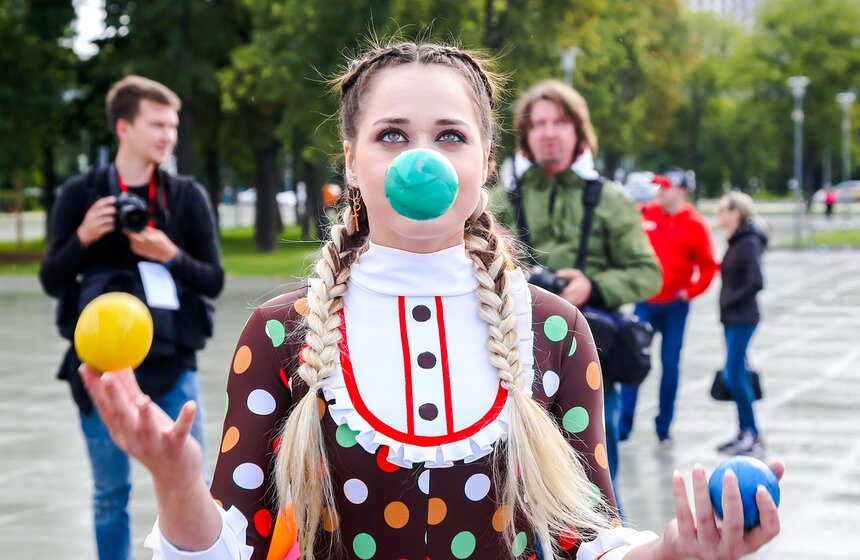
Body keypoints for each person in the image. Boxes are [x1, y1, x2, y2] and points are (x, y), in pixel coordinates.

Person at [80, 42, 781, 560]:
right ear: (351, 160)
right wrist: (176, 483)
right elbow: (232, 549)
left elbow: (585, 541)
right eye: (392, 136)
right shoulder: (279, 334)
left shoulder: (557, 332)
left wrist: (678, 552)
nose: (424, 159)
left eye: (450, 135)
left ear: (485, 161)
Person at [39, 75, 224, 560]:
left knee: (194, 483)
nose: (168, 136)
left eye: (173, 126)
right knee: (108, 496)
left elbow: (213, 280)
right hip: (100, 371)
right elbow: (51, 278)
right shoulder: (81, 193)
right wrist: (82, 237)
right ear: (124, 127)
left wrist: (170, 255)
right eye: (157, 124)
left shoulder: (185, 196)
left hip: (170, 365)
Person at [491, 80, 662, 500]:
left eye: (561, 122)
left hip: (593, 358)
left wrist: (593, 285)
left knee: (597, 482)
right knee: (512, 484)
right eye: (540, 123)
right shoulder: (497, 201)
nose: (550, 132)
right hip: (511, 357)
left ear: (579, 132)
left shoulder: (610, 200)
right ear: (526, 137)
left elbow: (648, 273)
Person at [619, 170, 718, 445]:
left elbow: (709, 265)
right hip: (646, 303)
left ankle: (664, 427)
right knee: (632, 361)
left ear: (682, 191)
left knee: (671, 366)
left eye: (666, 187)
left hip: (675, 307)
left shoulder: (694, 224)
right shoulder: (644, 214)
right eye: (659, 187)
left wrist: (692, 291)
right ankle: (623, 426)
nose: (660, 192)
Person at [714, 191, 767, 456]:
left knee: (734, 374)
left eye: (723, 209)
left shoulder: (747, 243)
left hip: (743, 318)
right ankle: (744, 431)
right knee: (737, 373)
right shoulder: (737, 240)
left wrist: (731, 301)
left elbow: (756, 281)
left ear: (736, 213)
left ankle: (752, 434)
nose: (718, 214)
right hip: (733, 317)